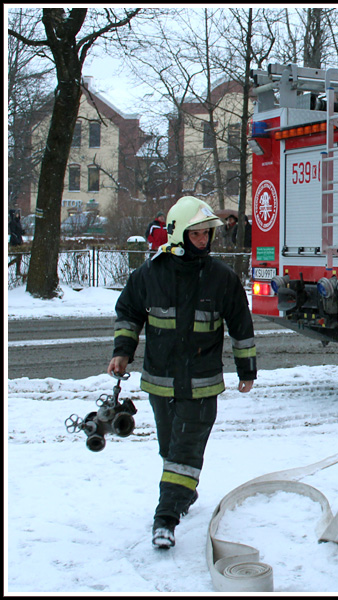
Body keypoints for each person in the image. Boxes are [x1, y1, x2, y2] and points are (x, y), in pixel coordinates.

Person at [108, 196, 257, 549]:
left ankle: (165, 520)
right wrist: (121, 353)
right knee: (171, 450)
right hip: (160, 384)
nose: (204, 240)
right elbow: (128, 313)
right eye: (197, 233)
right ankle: (183, 493)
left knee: (185, 453)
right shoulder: (149, 275)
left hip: (203, 386)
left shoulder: (221, 278)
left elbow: (241, 324)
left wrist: (246, 369)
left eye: (207, 233)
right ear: (178, 234)